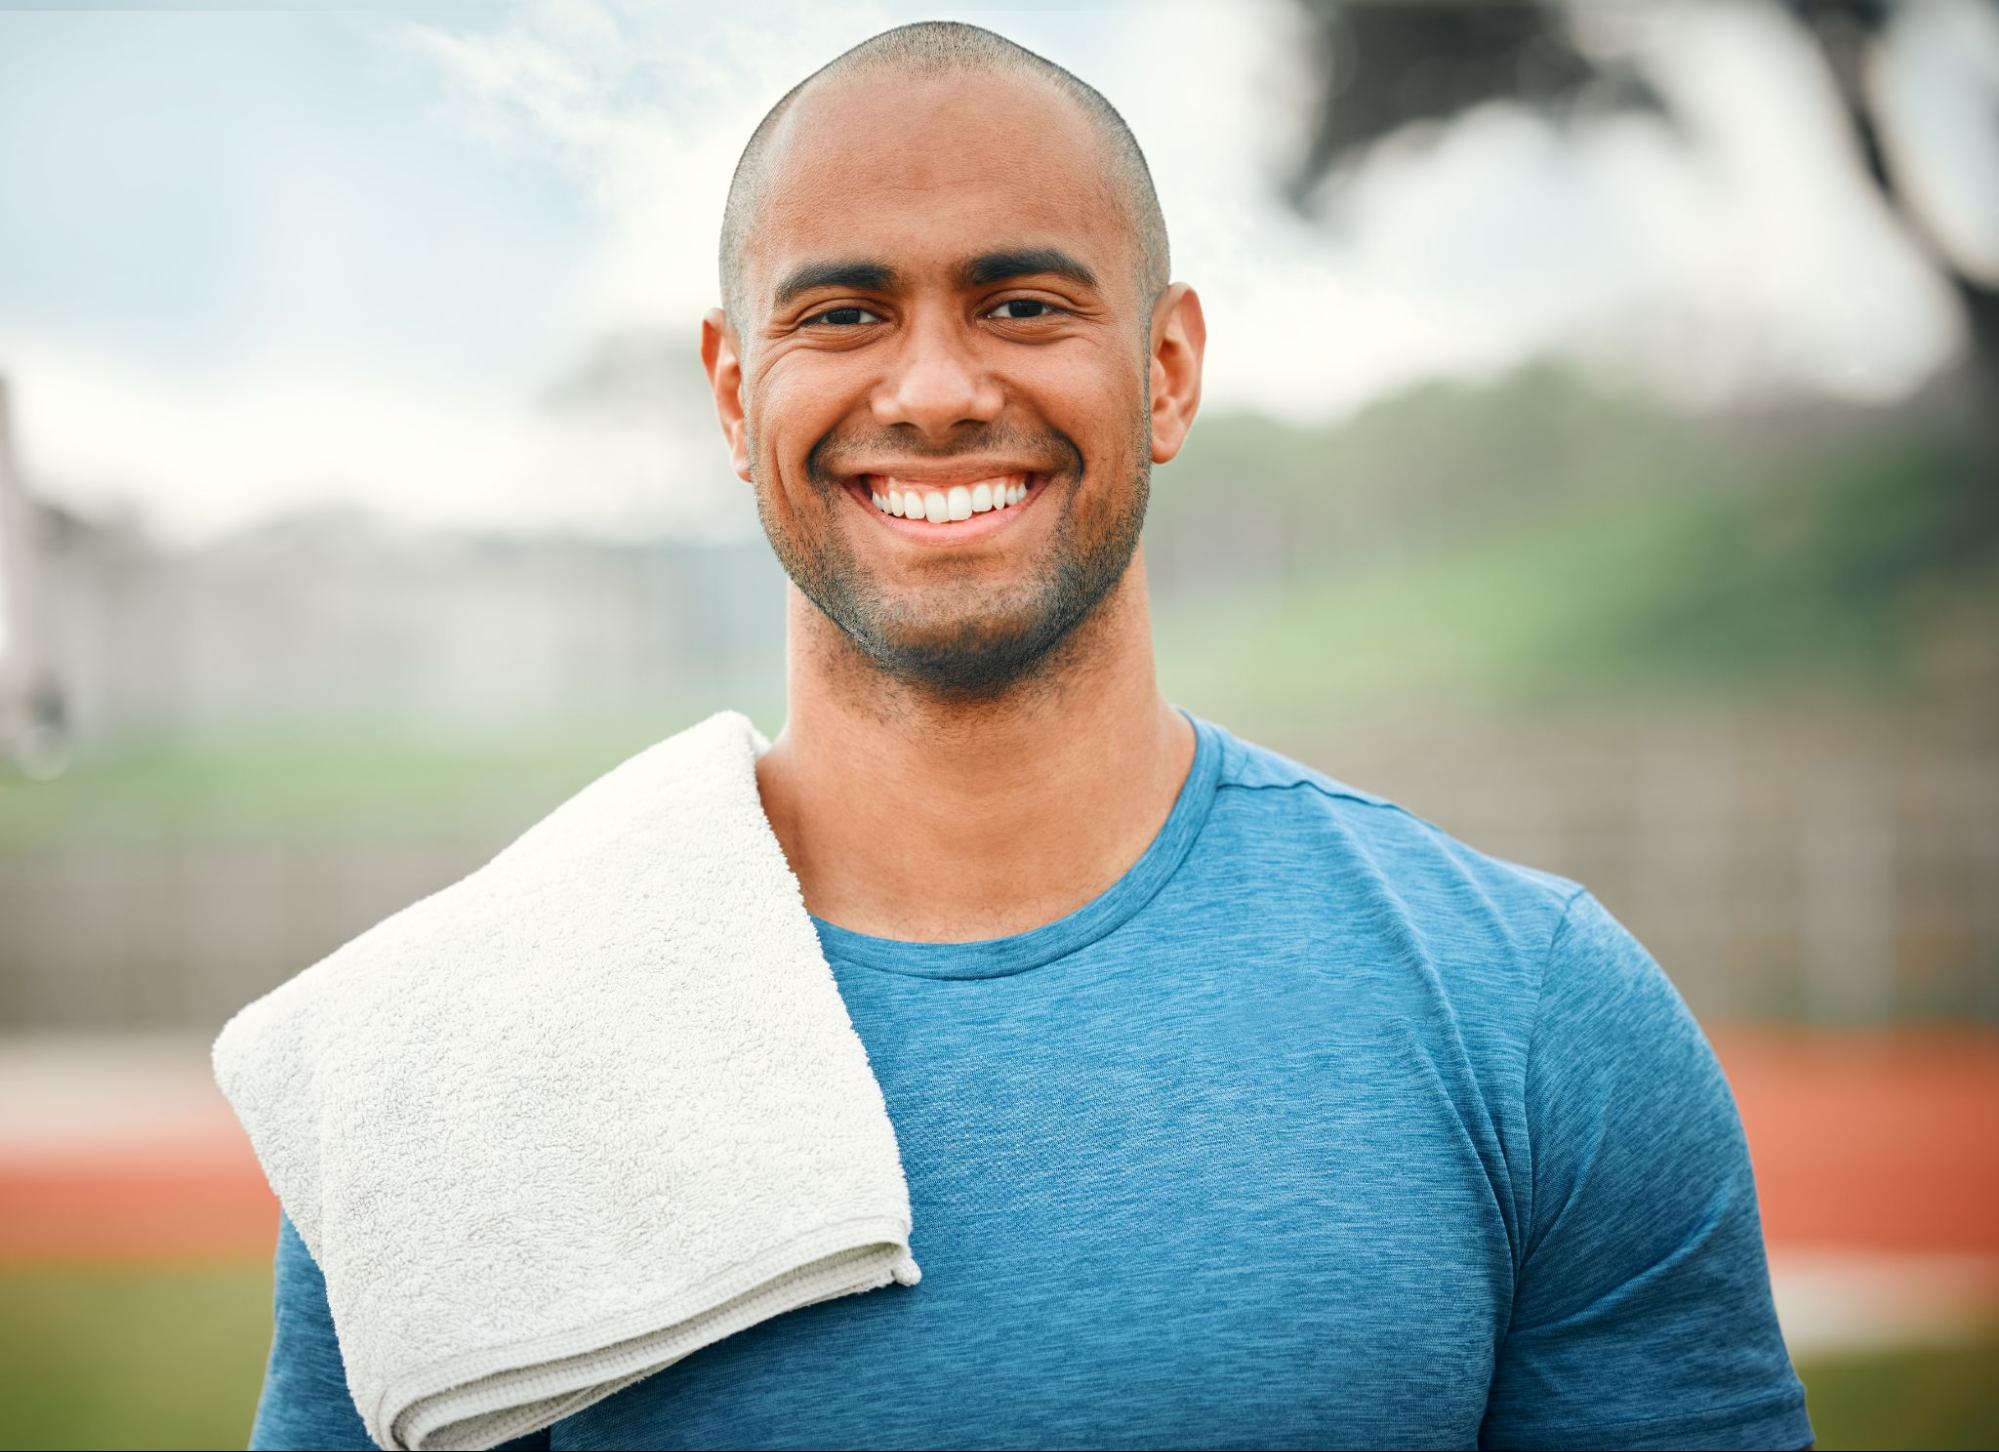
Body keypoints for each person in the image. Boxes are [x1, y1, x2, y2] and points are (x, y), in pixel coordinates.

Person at [248, 20, 1814, 1452]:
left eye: (1023, 302)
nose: (933, 390)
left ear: (1167, 368)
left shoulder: (1533, 1017)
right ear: (734, 395)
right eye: (846, 311)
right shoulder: (442, 1058)